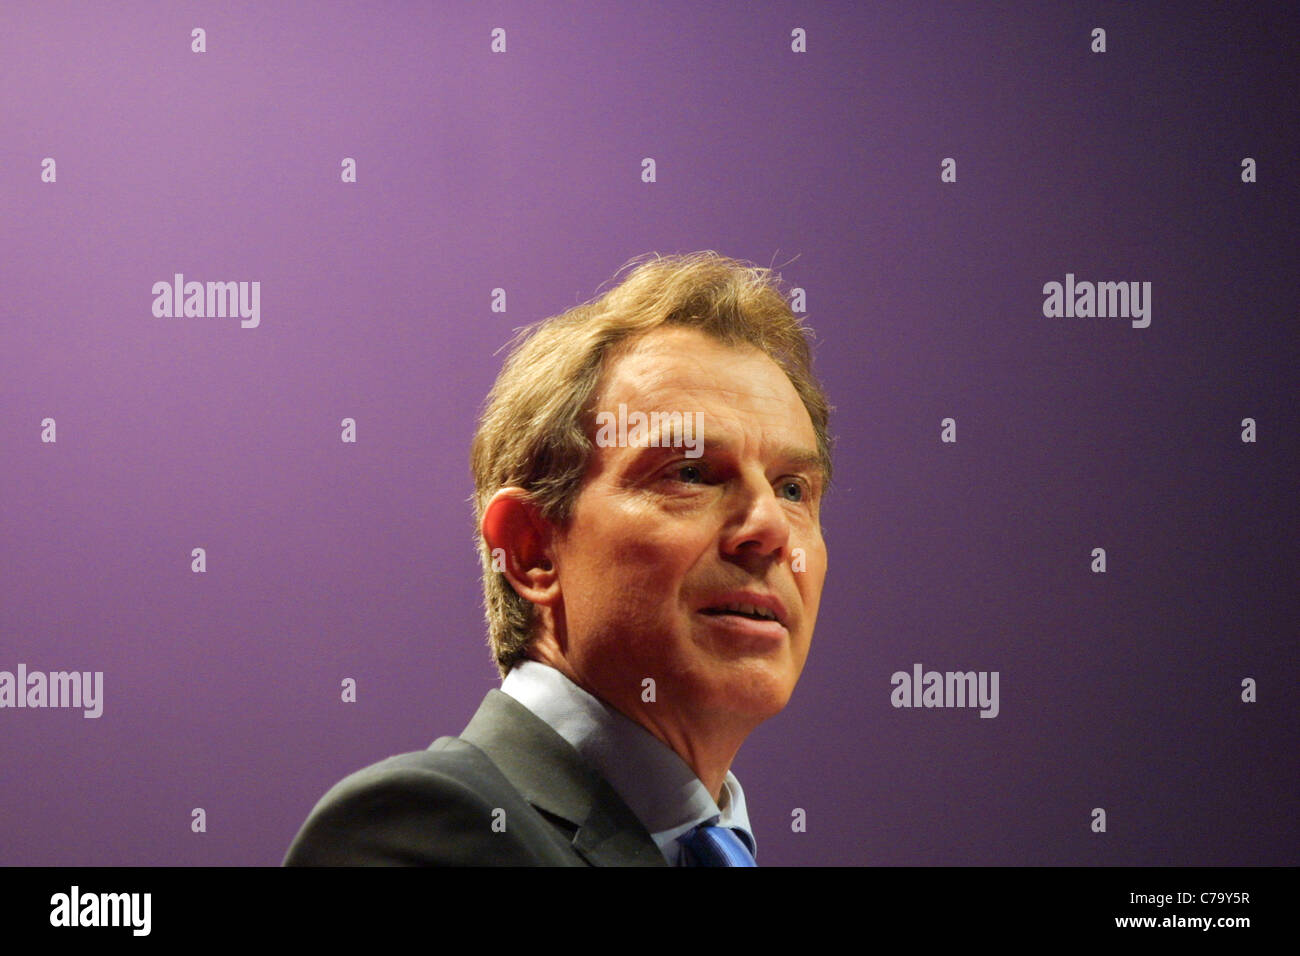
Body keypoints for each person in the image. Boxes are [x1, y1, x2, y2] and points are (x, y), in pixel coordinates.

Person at [282, 251, 832, 866]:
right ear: (530, 550)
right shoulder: (428, 832)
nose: (768, 528)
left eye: (792, 489)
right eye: (692, 473)